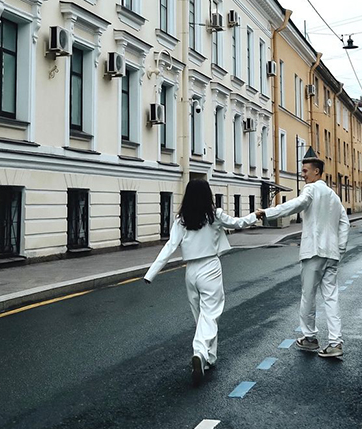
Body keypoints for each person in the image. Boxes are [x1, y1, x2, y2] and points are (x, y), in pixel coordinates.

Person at [144, 179, 257, 386]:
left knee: (200, 316)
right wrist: (255, 215)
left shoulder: (181, 219)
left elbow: (170, 246)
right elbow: (239, 223)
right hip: (210, 268)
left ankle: (208, 358)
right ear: (208, 195)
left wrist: (151, 273)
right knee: (210, 315)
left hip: (190, 271)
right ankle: (200, 352)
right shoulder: (214, 215)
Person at [256, 152, 349, 358]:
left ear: (317, 172)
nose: (303, 174)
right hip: (331, 254)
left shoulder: (311, 189)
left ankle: (309, 338)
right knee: (331, 297)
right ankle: (335, 342)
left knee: (308, 296)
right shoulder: (334, 196)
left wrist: (269, 213)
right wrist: (339, 249)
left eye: (306, 171)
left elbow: (297, 204)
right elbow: (344, 223)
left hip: (313, 252)